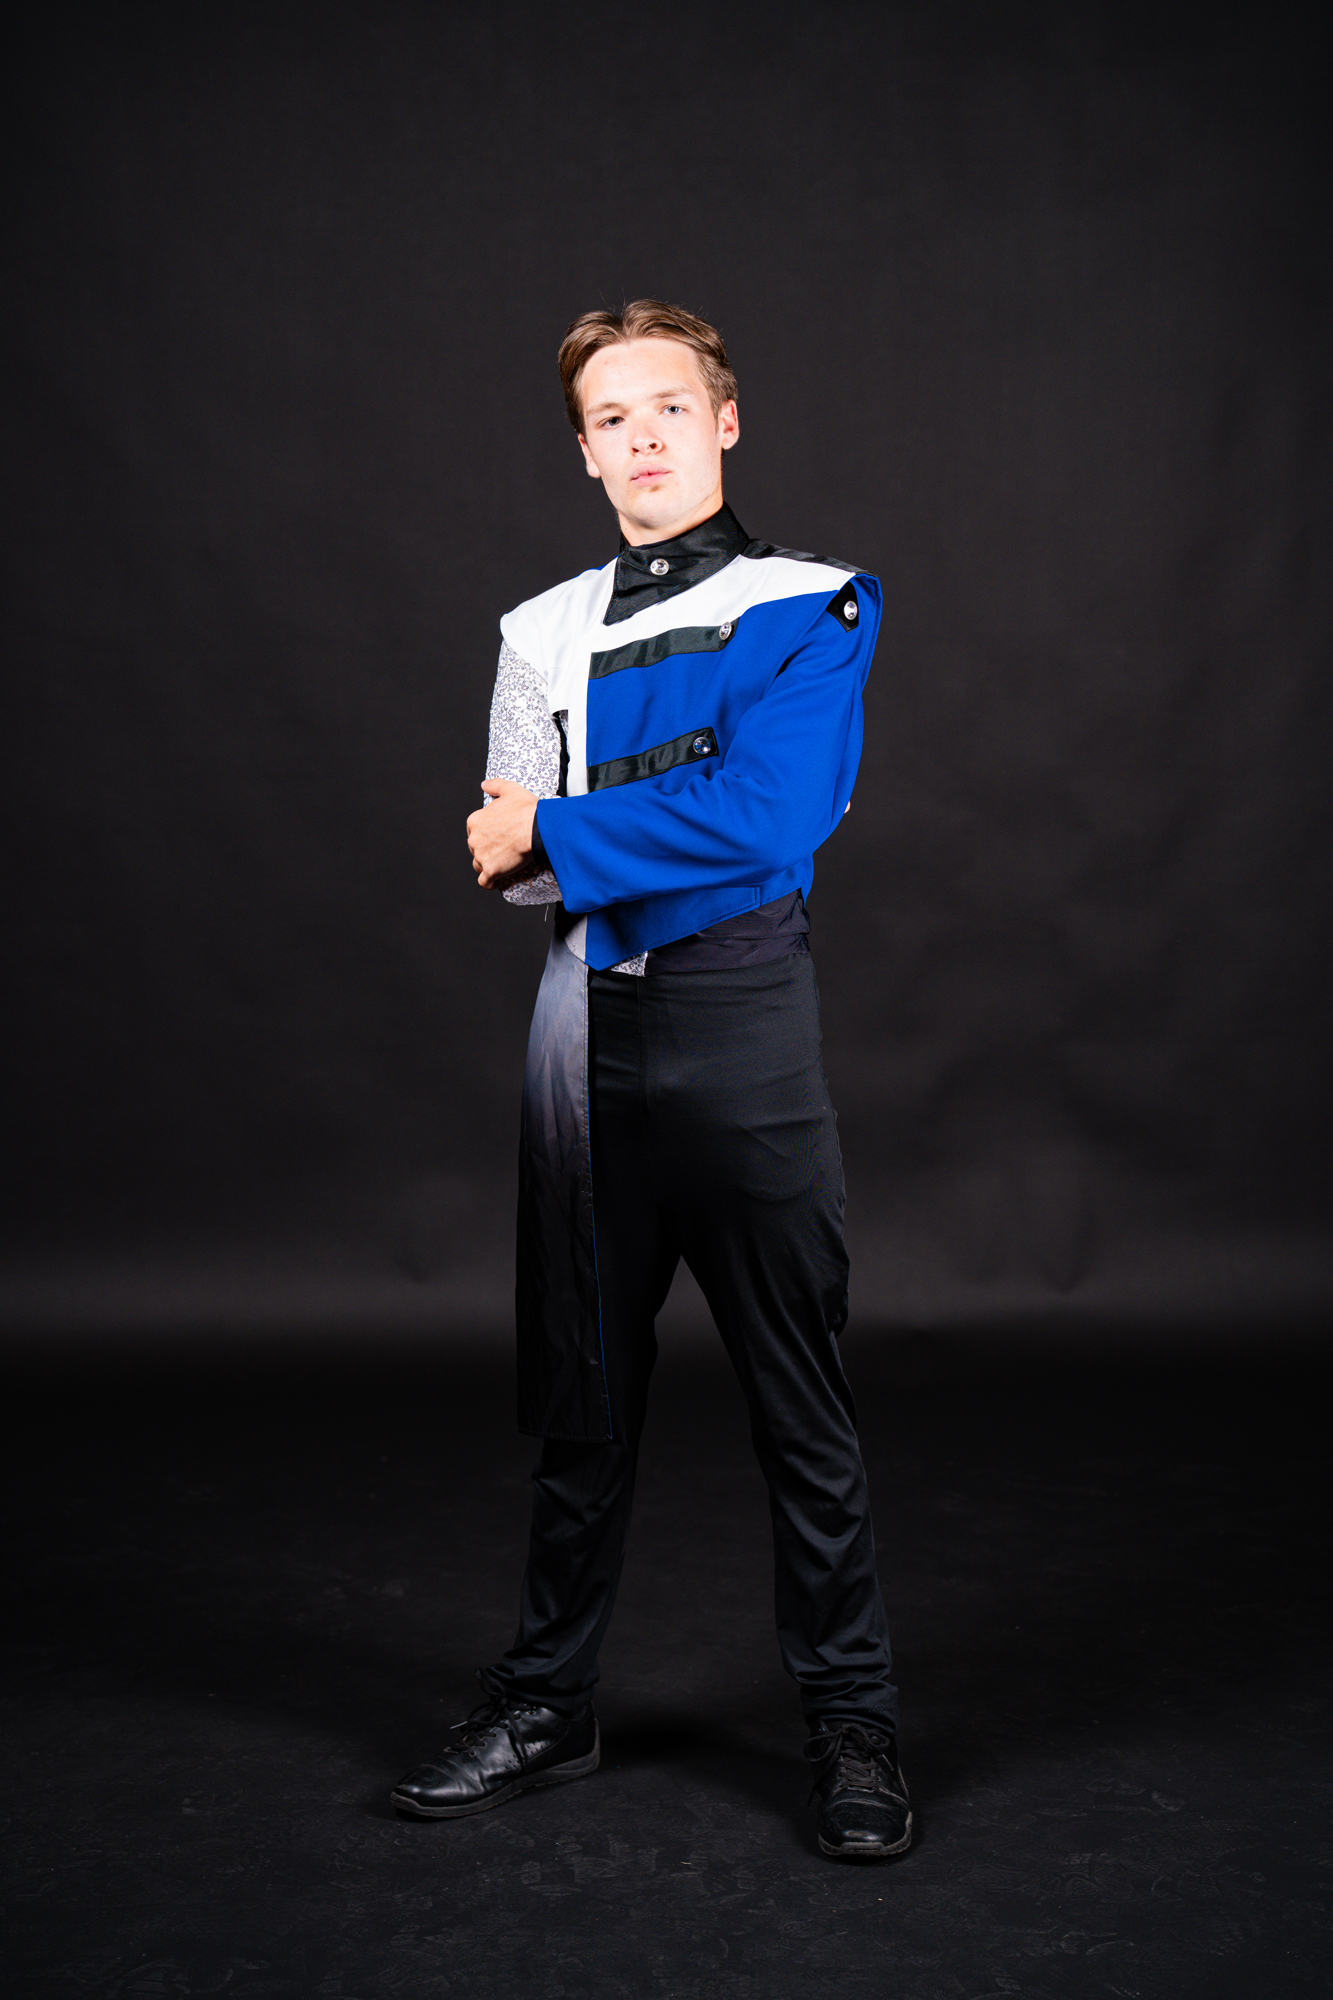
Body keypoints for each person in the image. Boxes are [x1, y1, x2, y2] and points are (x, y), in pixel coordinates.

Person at [391, 300, 910, 1861]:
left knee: (800, 1408)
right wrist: (571, 838)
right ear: (582, 450)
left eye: (668, 407)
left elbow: (769, 819)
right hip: (586, 1039)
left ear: (724, 420)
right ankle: (546, 1703)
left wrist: (564, 824)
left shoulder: (811, 601)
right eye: (609, 418)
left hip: (745, 1034)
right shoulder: (537, 628)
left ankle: (854, 1720)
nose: (642, 438)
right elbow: (507, 872)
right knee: (584, 1410)